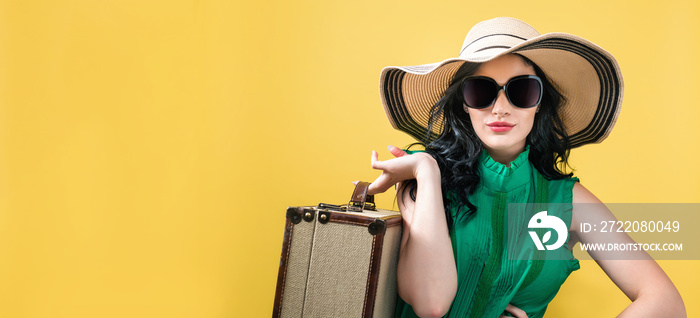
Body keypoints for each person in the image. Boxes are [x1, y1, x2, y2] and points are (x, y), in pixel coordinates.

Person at [366, 17, 685, 318]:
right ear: (464, 103)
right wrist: (425, 168)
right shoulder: (424, 179)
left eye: (522, 90)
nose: (501, 108)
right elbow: (430, 304)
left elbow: (665, 302)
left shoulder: (568, 202)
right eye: (481, 91)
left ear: (540, 101)